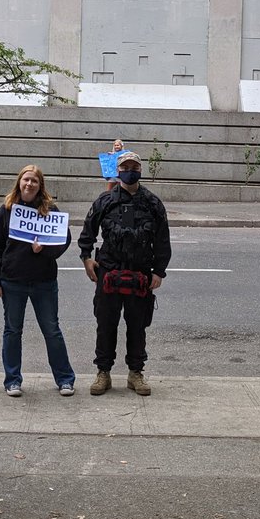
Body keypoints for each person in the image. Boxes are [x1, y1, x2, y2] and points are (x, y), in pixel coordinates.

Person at [78, 151, 171, 397]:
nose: (130, 171)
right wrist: (86, 258)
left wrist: (159, 272)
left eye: (134, 167)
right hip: (109, 271)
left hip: (140, 273)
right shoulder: (105, 201)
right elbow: (87, 232)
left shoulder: (152, 203)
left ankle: (135, 373)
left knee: (137, 325)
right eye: (125, 167)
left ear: (140, 170)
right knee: (105, 324)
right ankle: (103, 373)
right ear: (118, 171)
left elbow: (162, 239)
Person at [0, 165, 76, 397]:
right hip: (12, 281)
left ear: (40, 185)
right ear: (19, 182)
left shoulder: (50, 209)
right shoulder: (7, 210)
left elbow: (64, 240)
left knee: (52, 330)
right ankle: (12, 380)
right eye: (26, 179)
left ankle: (65, 379)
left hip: (44, 281)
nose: (29, 184)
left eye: (34, 181)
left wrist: (44, 249)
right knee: (12, 331)